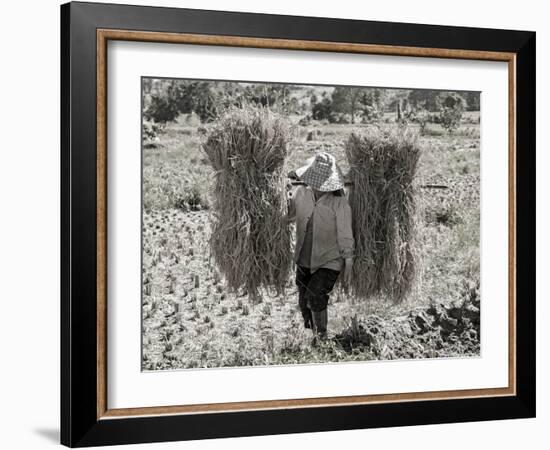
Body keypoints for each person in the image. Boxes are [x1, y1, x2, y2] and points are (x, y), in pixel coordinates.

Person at [286, 152, 355, 342]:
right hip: (303, 258)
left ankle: (323, 337)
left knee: (315, 294)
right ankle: (313, 337)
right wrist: (282, 195)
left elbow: (345, 234)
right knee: (304, 302)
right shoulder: (302, 194)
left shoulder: (339, 203)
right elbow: (288, 215)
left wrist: (348, 263)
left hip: (329, 259)